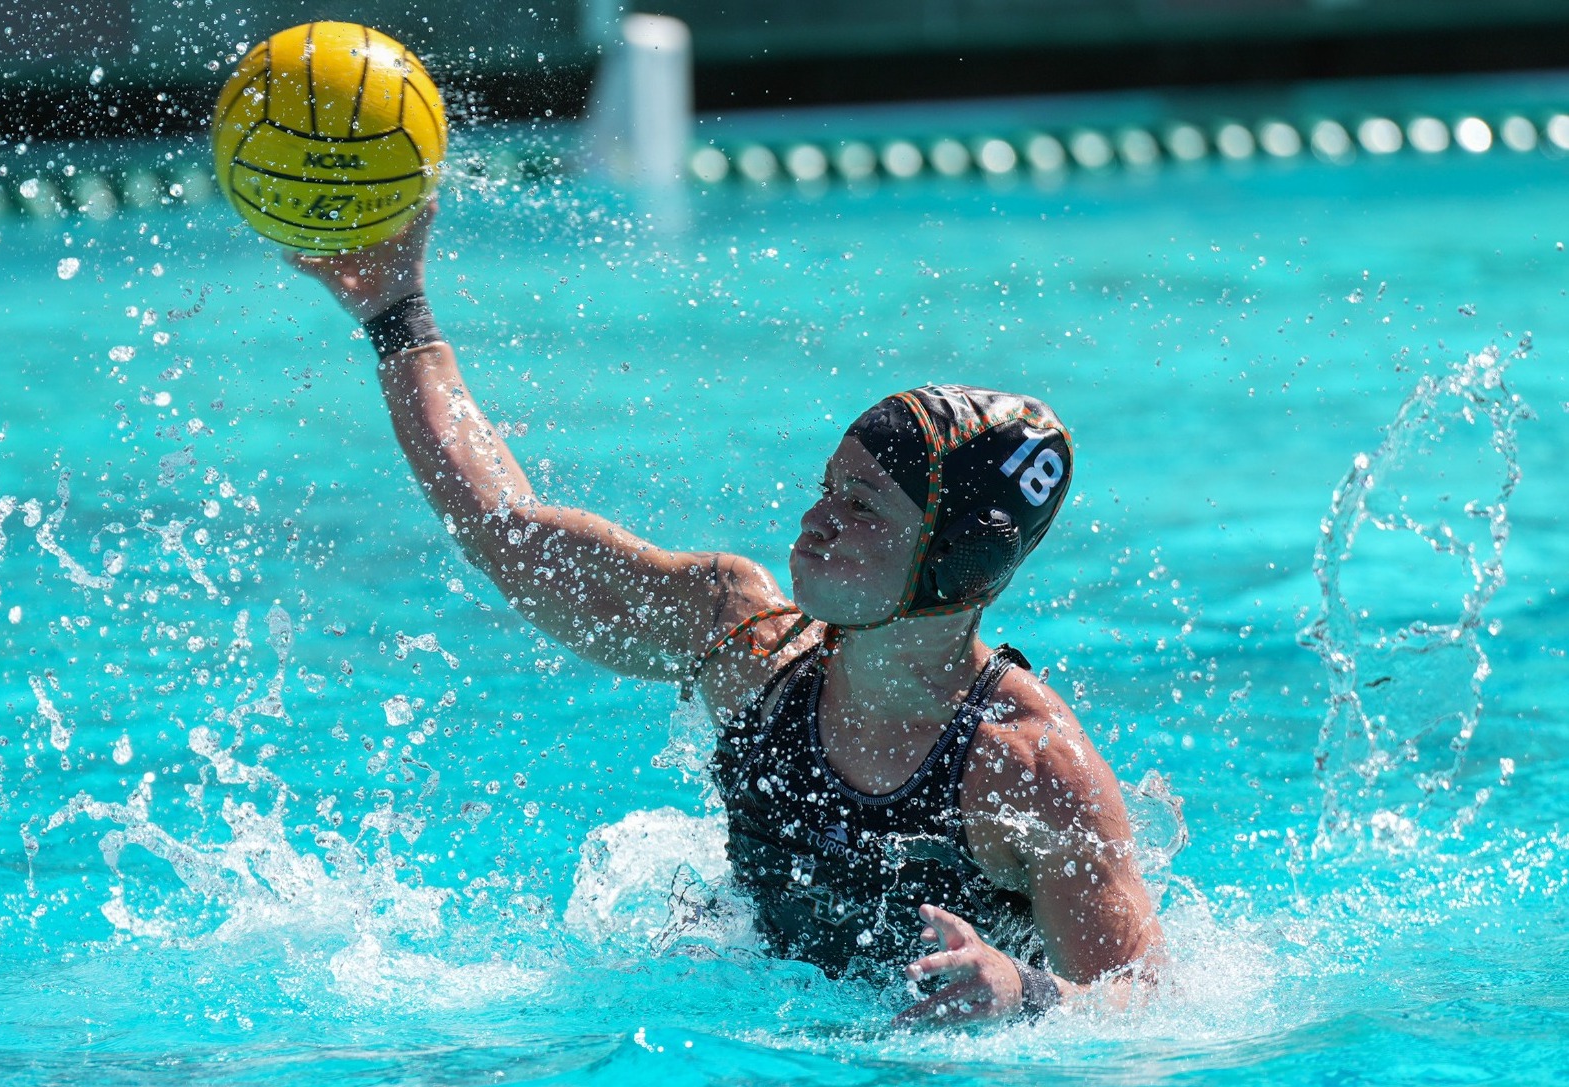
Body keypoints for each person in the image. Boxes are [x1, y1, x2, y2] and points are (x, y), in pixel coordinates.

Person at [286, 201, 1164, 1025]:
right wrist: (399, 311)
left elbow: (1147, 1010)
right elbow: (507, 532)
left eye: (863, 506)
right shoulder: (745, 638)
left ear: (951, 558)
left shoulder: (1029, 768)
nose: (817, 520)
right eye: (827, 488)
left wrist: (1026, 991)